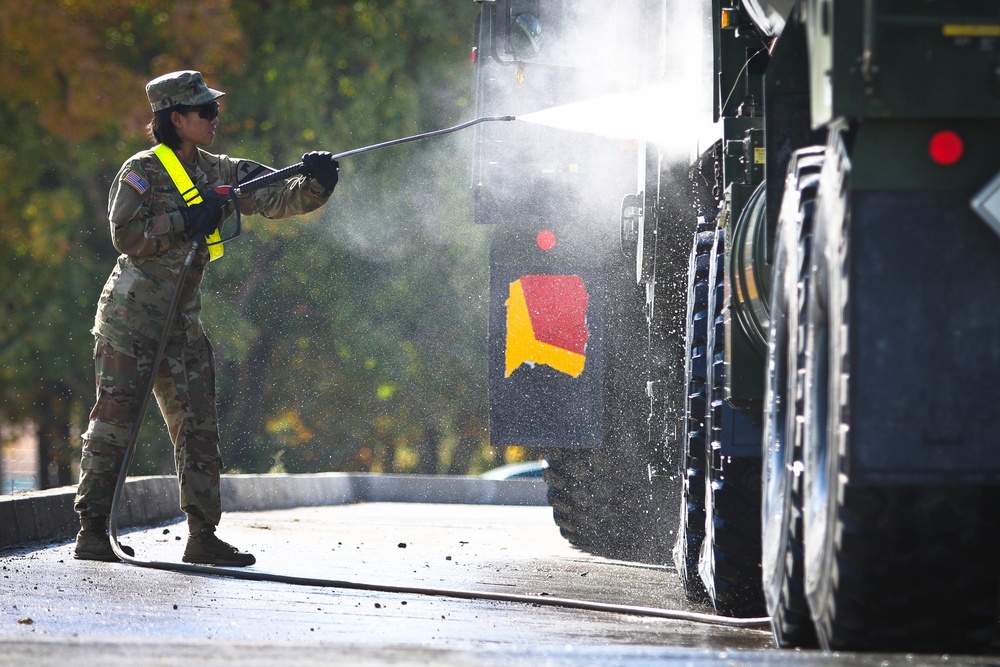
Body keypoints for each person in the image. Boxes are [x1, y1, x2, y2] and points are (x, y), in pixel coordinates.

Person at [73, 70, 340, 566]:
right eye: (206, 112)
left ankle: (202, 537)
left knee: (198, 425)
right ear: (176, 119)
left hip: (181, 322)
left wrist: (318, 182)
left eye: (214, 110)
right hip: (130, 321)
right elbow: (124, 235)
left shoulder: (223, 170)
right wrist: (181, 222)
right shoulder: (142, 171)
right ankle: (92, 534)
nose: (216, 118)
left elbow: (277, 195)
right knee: (114, 423)